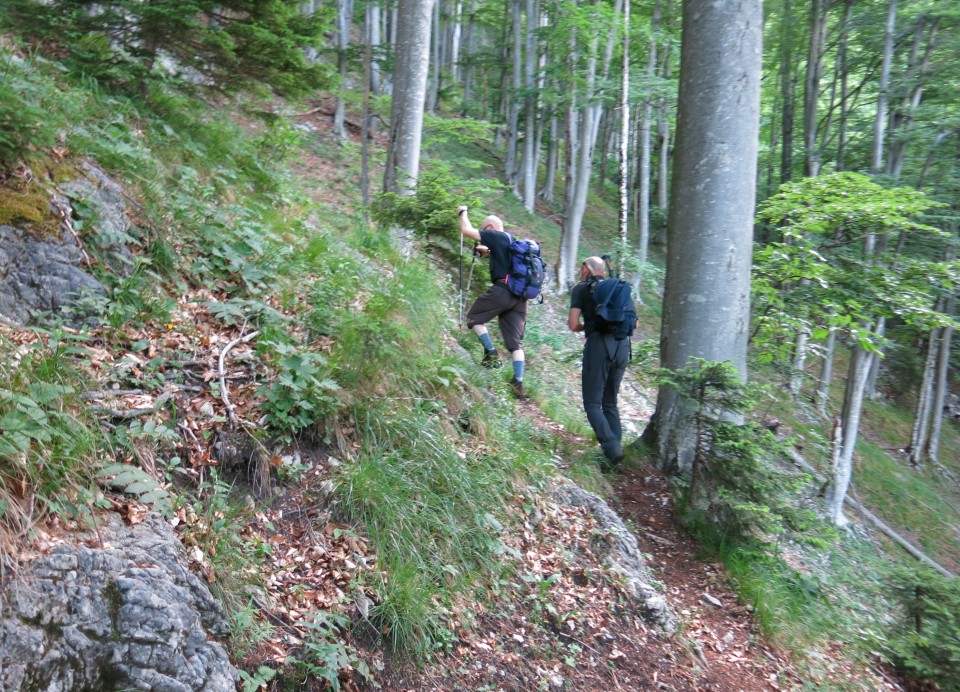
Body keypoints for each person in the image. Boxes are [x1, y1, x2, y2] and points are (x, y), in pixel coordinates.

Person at [567, 256, 635, 466]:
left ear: (587, 268)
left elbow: (572, 323)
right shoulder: (620, 289)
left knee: (593, 404)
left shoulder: (582, 289)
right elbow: (636, 324)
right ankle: (615, 457)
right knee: (610, 402)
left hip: (599, 345)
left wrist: (589, 327)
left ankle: (611, 448)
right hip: (623, 345)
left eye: (581, 268)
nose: (580, 273)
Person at [456, 204, 528, 399]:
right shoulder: (513, 242)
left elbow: (466, 230)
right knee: (515, 343)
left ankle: (491, 353)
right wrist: (484, 252)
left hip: (503, 290)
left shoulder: (496, 236)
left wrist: (463, 212)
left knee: (474, 318)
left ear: (491, 228)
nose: (484, 234)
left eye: (485, 230)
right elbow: (495, 253)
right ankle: (518, 382)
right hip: (520, 298)